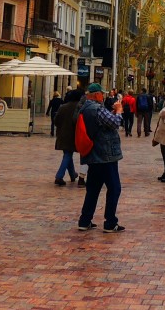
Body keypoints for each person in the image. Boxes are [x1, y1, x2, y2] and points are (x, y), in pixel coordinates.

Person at [76, 84, 125, 233]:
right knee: (114, 188)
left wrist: (111, 113)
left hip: (93, 154)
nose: (103, 96)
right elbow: (115, 123)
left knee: (93, 189)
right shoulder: (96, 108)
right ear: (96, 94)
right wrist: (119, 111)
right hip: (105, 155)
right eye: (101, 94)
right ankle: (110, 222)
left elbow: (102, 122)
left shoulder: (84, 108)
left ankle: (85, 220)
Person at [53, 89, 83, 185]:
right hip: (73, 135)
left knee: (68, 153)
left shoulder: (63, 107)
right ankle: (59, 176)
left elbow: (56, 121)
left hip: (62, 134)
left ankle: (72, 174)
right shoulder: (80, 107)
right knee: (68, 154)